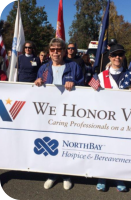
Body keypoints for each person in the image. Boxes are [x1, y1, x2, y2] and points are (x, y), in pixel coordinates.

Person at [35, 38, 84, 190]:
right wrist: (36, 82)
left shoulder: (73, 66)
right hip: (49, 113)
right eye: (52, 49)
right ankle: (52, 173)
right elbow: (36, 92)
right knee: (51, 142)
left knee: (66, 142)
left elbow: (84, 85)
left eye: (58, 49)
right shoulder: (44, 69)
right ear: (49, 52)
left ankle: (66, 174)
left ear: (63, 51)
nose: (55, 52)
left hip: (68, 113)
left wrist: (75, 84)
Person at [97, 44, 131, 192]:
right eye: (114, 55)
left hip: (124, 120)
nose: (117, 57)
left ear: (124, 56)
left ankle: (119, 176)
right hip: (105, 119)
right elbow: (91, 96)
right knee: (104, 148)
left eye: (120, 54)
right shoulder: (101, 76)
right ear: (110, 57)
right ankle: (102, 177)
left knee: (120, 149)